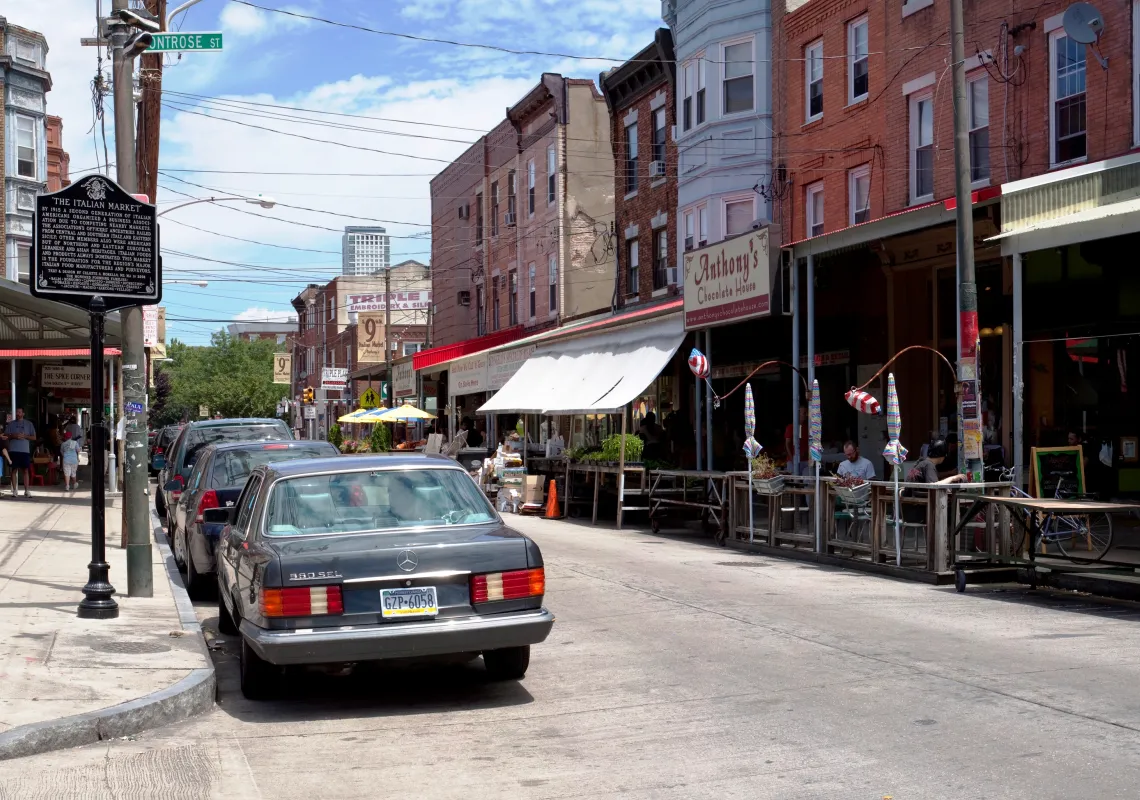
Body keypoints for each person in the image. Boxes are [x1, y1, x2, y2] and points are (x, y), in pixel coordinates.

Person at [5, 408, 36, 498]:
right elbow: (5, 435)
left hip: (24, 450)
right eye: (17, 412)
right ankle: (15, 491)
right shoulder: (11, 424)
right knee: (14, 470)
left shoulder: (29, 424)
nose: (18, 414)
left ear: (23, 413)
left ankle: (26, 490)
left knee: (26, 470)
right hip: (13, 450)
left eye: (19, 412)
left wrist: (25, 436)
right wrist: (12, 436)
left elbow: (34, 437)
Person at [784, 405, 809, 475]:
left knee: (808, 478)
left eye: (806, 413)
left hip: (805, 460)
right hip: (792, 461)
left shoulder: (807, 427)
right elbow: (787, 444)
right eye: (804, 413)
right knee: (794, 480)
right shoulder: (790, 427)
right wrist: (792, 459)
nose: (806, 415)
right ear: (798, 414)